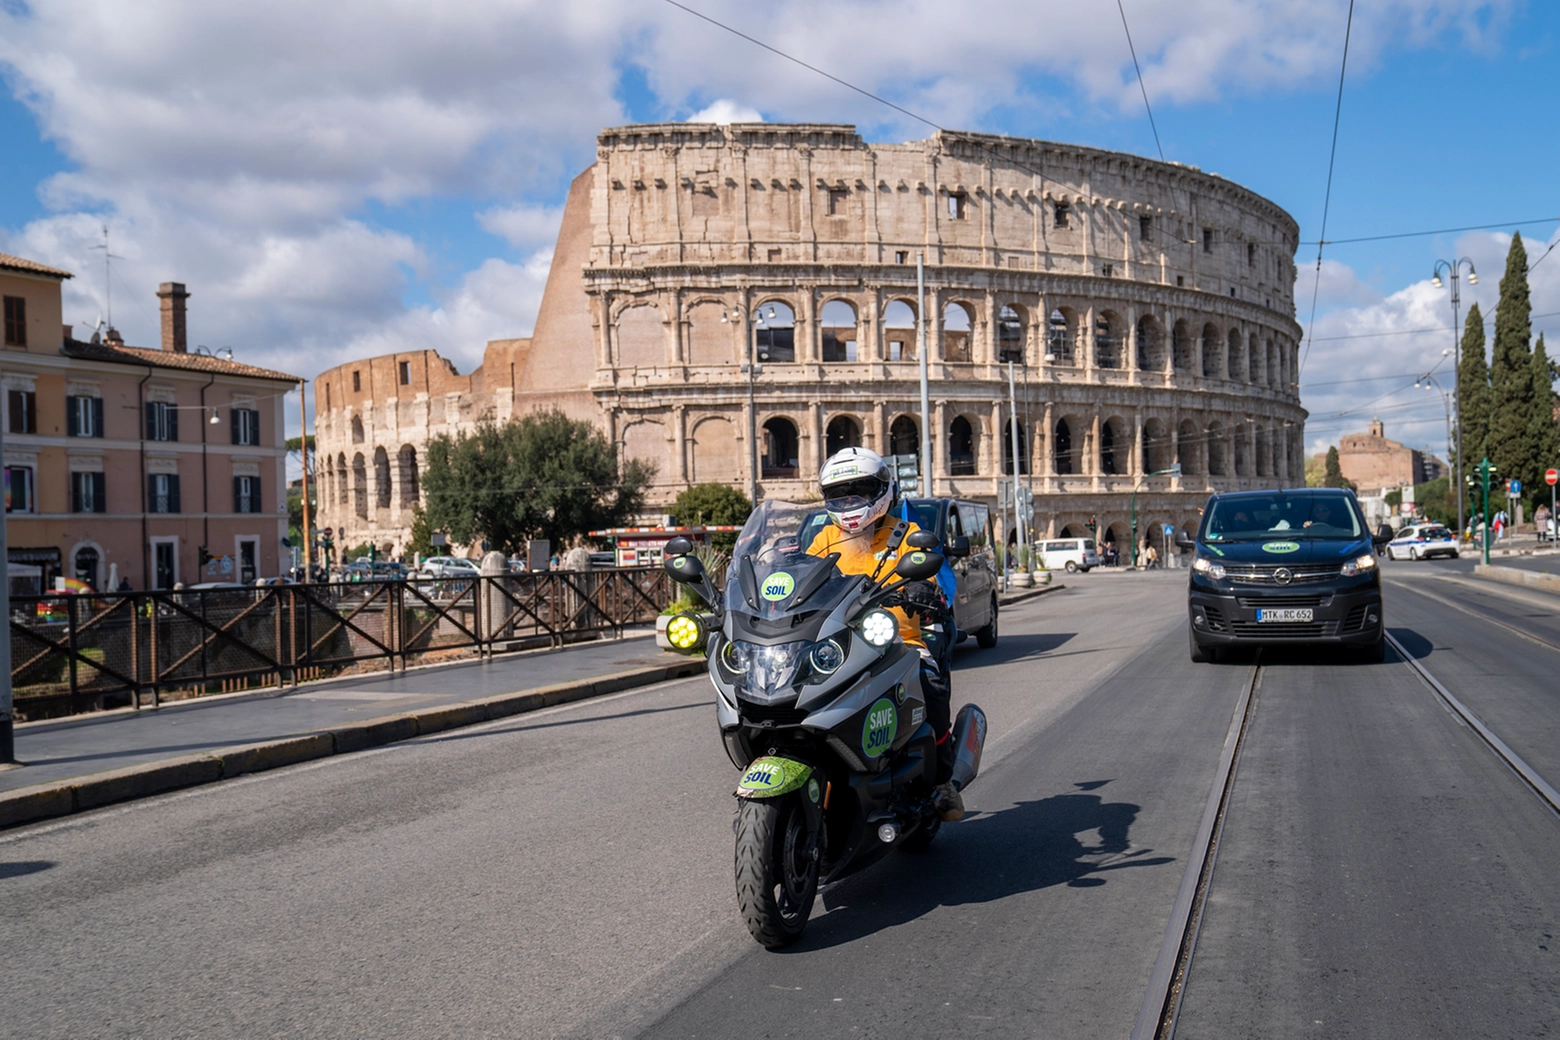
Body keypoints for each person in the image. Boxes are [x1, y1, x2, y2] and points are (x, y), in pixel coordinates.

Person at [806, 446, 963, 822]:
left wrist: (923, 589)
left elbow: (933, 577)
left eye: (860, 489)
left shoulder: (908, 535)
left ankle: (943, 782)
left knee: (933, 687)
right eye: (840, 494)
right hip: (837, 647)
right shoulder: (823, 540)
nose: (850, 501)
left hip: (897, 643)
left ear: (882, 491)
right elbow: (802, 579)